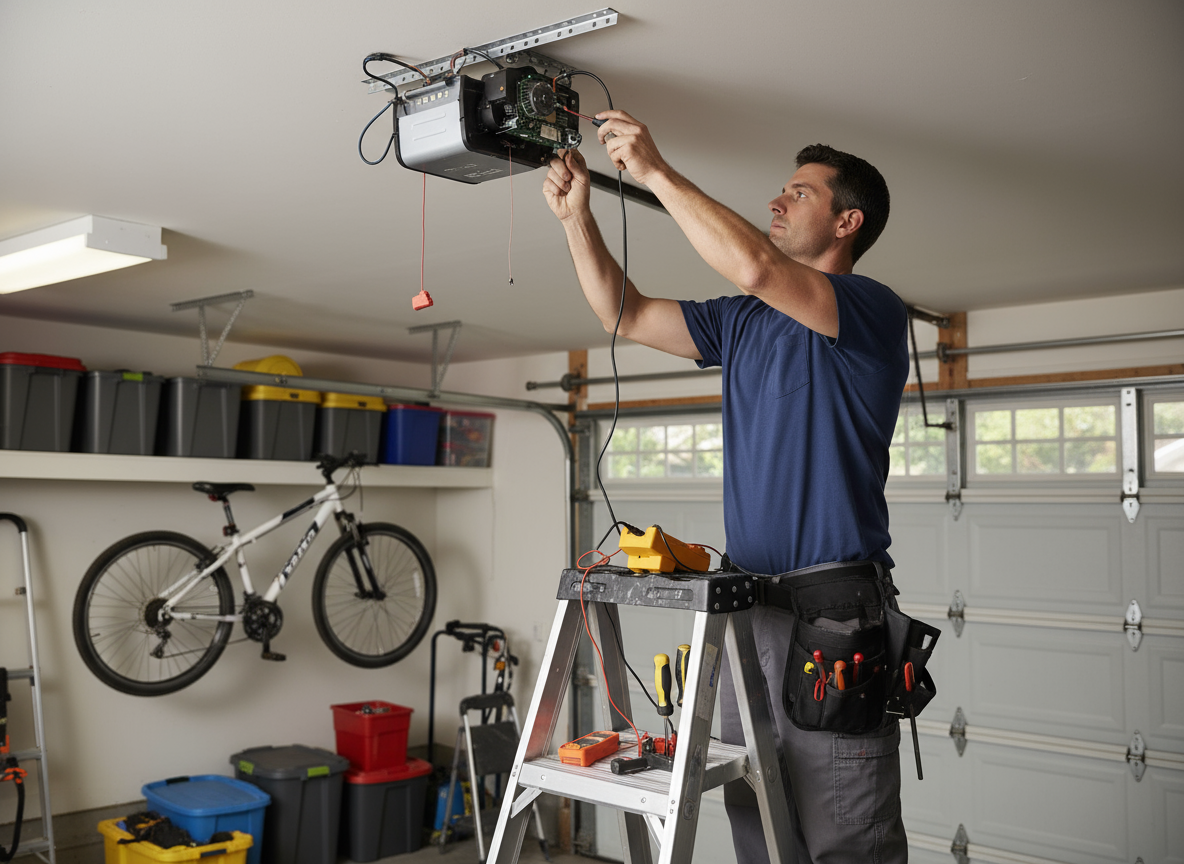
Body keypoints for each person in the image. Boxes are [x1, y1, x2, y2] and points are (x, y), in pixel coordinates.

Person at [543, 111, 911, 864]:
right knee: (758, 817)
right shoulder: (744, 323)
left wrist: (653, 171)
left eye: (797, 193)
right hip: (749, 609)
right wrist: (579, 220)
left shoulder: (872, 309)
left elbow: (756, 268)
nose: (777, 203)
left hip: (835, 614)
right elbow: (629, 312)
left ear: (847, 221)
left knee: (846, 830)